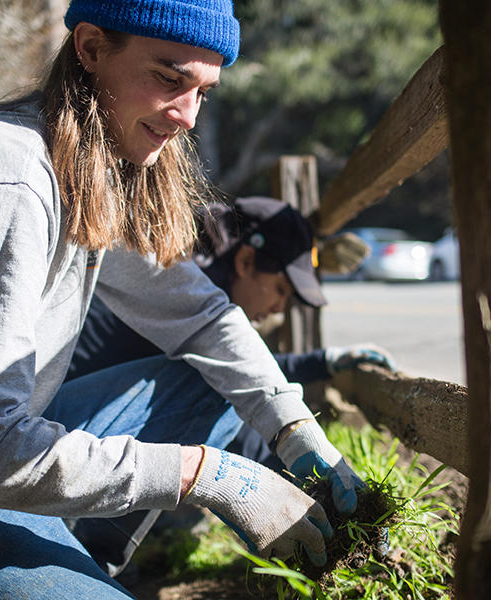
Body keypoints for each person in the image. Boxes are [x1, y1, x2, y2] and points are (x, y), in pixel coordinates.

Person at [0, 1, 367, 598]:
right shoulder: (7, 181)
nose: (188, 115)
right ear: (90, 49)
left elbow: (199, 315)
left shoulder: (89, 162)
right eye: (169, 78)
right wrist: (206, 474)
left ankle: (65, 563)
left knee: (211, 383)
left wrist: (297, 430)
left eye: (204, 90)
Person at [64, 196, 395, 577]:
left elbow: (245, 373)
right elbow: (226, 381)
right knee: (218, 385)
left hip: (83, 435)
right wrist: (298, 481)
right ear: (245, 262)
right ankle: (89, 556)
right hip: (48, 454)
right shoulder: (180, 294)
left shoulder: (196, 279)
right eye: (281, 290)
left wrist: (307, 424)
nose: (278, 310)